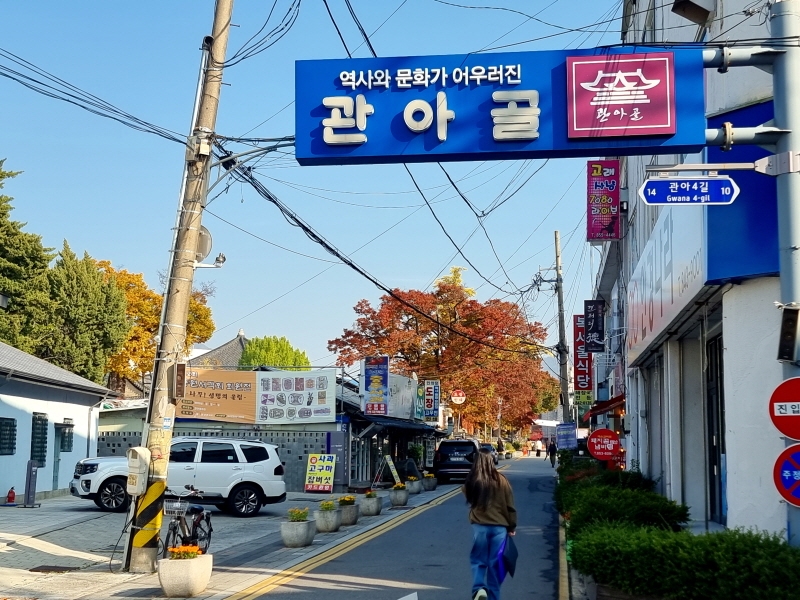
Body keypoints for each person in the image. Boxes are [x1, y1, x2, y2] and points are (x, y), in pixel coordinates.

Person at [463, 448, 517, 600]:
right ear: (492, 460)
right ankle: (494, 597)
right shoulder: (502, 480)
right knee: (495, 565)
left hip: (480, 527)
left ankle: (479, 589)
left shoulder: (472, 481)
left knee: (478, 560)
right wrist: (512, 526)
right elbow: (510, 506)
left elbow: (467, 495)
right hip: (499, 528)